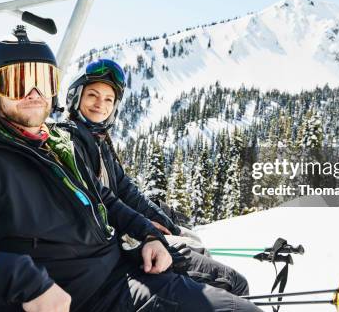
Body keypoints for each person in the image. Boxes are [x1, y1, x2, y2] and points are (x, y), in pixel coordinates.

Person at [0, 27, 262, 312]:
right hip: (79, 300)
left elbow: (107, 198)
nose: (33, 93)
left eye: (43, 80)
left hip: (122, 276)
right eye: (16, 81)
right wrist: (23, 281)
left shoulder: (57, 144)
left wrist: (147, 233)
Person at [62, 58, 250, 296]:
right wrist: (148, 231)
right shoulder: (71, 142)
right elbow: (102, 202)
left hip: (128, 239)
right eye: (93, 95)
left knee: (194, 242)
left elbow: (128, 192)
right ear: (76, 96)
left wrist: (171, 227)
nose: (101, 104)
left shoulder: (98, 141)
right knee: (233, 283)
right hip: (116, 250)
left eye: (108, 99)